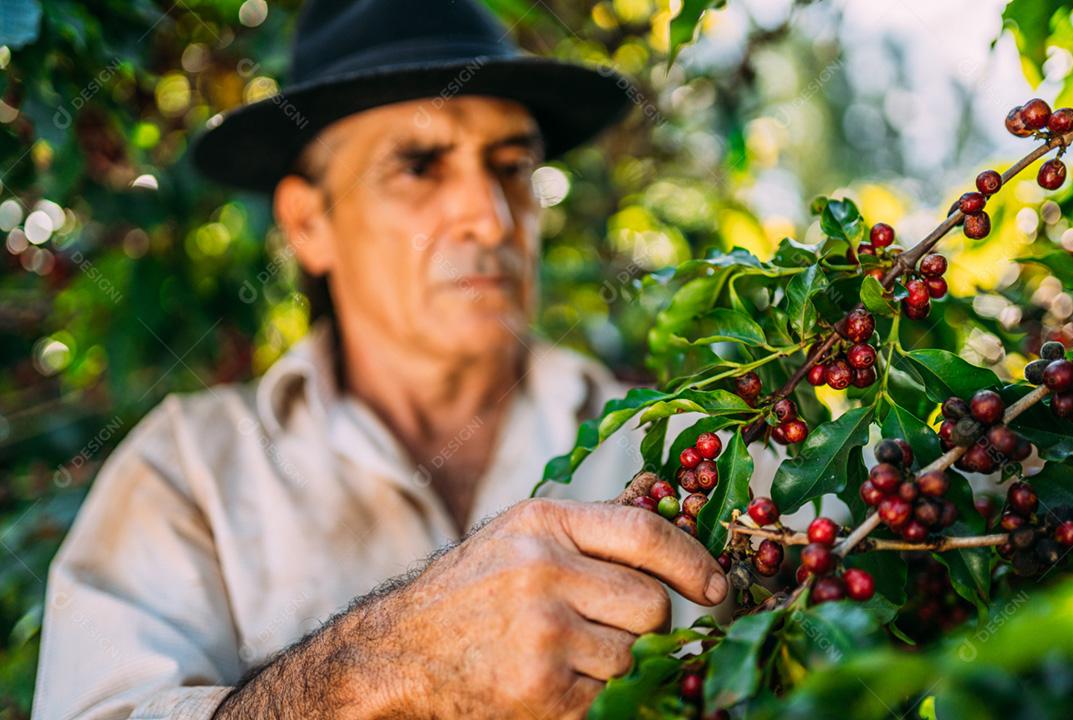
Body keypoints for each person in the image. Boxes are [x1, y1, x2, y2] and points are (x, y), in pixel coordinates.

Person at [32, 1, 731, 718]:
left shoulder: (690, 442)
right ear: (310, 223)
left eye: (513, 164)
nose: (491, 216)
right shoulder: (190, 473)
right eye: (420, 165)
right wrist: (386, 666)